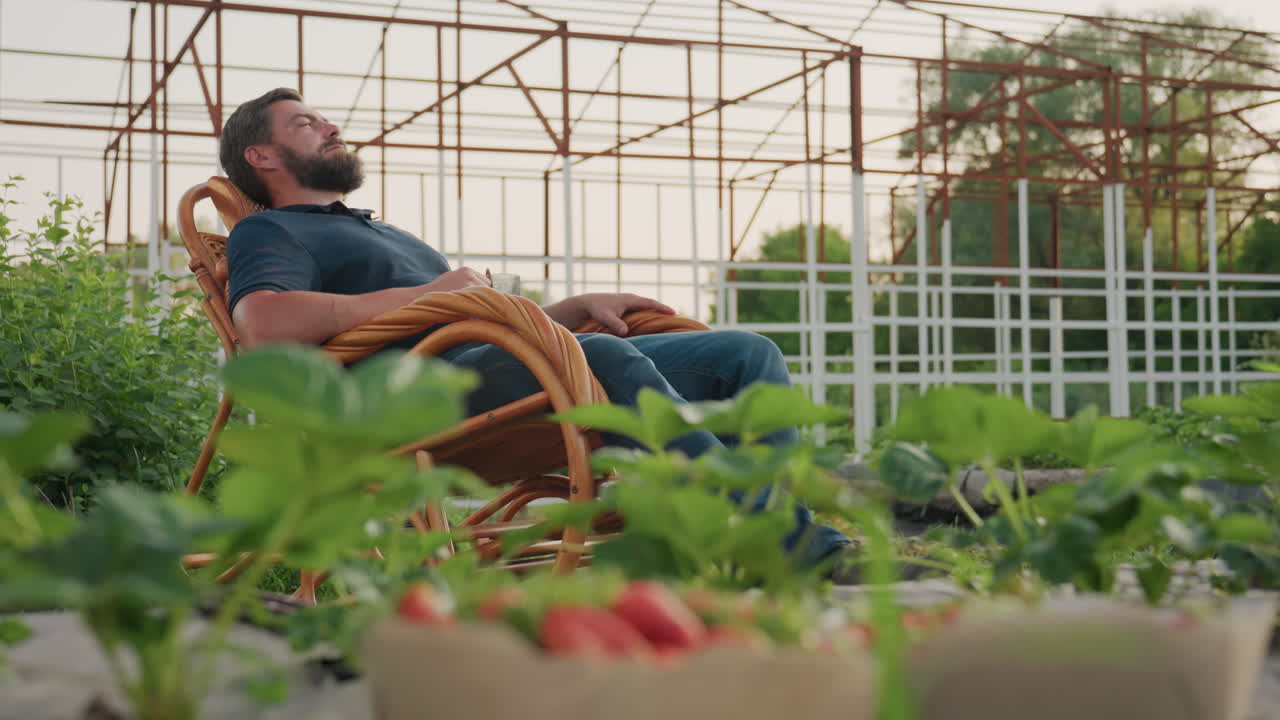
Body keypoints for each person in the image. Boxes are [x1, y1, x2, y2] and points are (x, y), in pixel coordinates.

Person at [218, 87, 854, 573]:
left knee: (745, 353)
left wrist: (566, 312)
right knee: (598, 356)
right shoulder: (271, 230)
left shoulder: (381, 232)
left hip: (496, 370)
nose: (330, 127)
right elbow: (264, 324)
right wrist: (431, 292)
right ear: (263, 155)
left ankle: (756, 549)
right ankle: (797, 547)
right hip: (418, 400)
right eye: (305, 123)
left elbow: (474, 324)